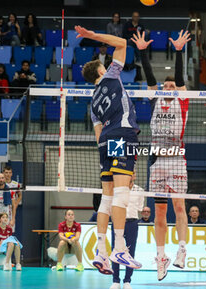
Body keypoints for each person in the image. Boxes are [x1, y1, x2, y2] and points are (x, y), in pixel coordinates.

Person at [76, 25, 141, 274]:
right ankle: (120, 246)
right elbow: (123, 43)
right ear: (101, 70)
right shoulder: (112, 76)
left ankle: (101, 251)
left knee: (107, 196)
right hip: (123, 133)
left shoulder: (92, 101)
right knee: (122, 193)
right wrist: (93, 35)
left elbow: (97, 135)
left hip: (105, 142)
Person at [131, 29, 191, 280]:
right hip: (156, 160)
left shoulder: (183, 100)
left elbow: (178, 78)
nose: (167, 87)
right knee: (158, 214)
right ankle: (160, 256)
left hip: (176, 158)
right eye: (165, 85)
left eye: (171, 85)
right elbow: (150, 77)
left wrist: (178, 52)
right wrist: (143, 52)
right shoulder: (155, 100)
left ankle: (182, 251)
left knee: (179, 207)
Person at [110, 171, 144, 289]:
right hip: (117, 223)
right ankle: (115, 281)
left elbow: (140, 207)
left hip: (132, 223)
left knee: (131, 251)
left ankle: (127, 281)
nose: (131, 175)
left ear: (135, 175)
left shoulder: (139, 190)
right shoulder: (116, 189)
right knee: (116, 250)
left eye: (134, 173)